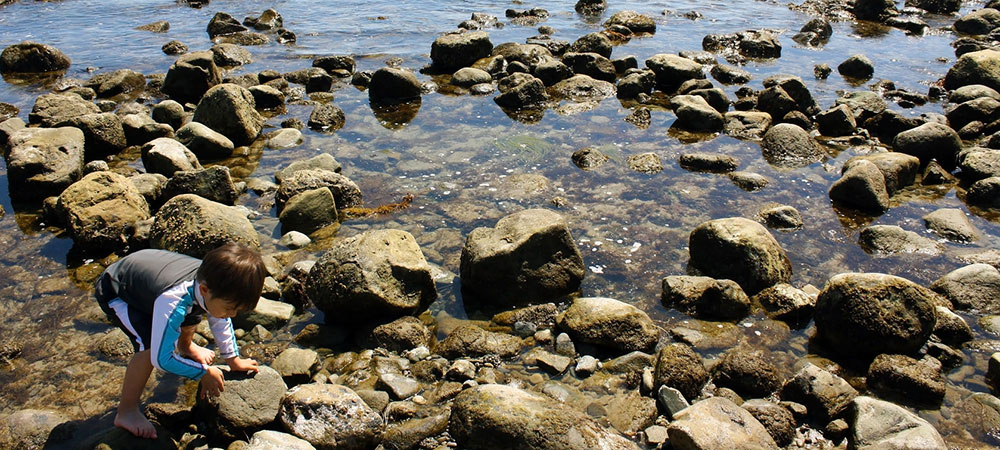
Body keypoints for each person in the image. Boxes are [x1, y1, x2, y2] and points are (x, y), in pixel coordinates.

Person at [94, 242, 268, 439]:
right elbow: (161, 359)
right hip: (118, 289)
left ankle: (185, 346)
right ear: (204, 289)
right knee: (148, 347)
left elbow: (220, 319)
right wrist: (202, 372)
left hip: (150, 279)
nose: (233, 314)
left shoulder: (213, 283)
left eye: (238, 310)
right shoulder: (174, 299)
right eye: (230, 308)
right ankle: (126, 411)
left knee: (197, 311)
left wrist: (232, 359)